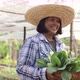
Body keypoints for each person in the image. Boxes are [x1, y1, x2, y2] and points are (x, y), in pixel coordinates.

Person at [16, 4, 75, 80]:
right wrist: (44, 73)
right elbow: (21, 68)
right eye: (51, 19)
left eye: (58, 21)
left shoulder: (61, 45)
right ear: (42, 22)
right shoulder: (33, 41)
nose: (55, 23)